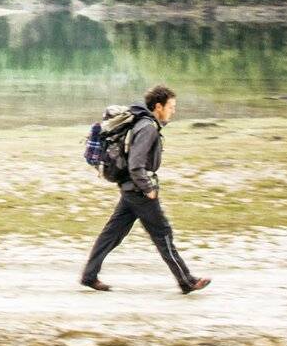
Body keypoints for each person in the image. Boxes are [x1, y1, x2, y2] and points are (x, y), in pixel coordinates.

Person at [79, 84, 210, 294]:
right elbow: (135, 164)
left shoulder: (144, 124)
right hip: (139, 191)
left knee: (112, 233)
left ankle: (89, 275)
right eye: (171, 106)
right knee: (163, 233)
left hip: (130, 190)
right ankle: (186, 281)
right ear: (158, 106)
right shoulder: (148, 128)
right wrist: (148, 188)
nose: (173, 111)